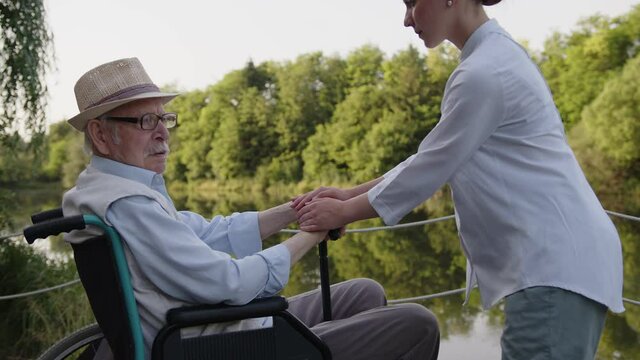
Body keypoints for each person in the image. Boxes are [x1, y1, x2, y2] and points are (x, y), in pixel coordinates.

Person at [294, 0, 624, 359]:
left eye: (411, 3)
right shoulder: (492, 59)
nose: (406, 20)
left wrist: (342, 213)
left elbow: (429, 169)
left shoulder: (484, 72)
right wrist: (346, 197)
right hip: (562, 262)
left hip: (555, 266)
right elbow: (430, 158)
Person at [61, 57, 440, 360]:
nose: (163, 132)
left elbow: (208, 233)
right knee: (417, 324)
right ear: (99, 133)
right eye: (146, 121)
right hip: (216, 346)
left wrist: (296, 209)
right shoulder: (128, 204)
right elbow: (229, 282)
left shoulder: (110, 192)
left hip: (214, 329)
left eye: (164, 118)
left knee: (364, 292)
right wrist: (312, 233)